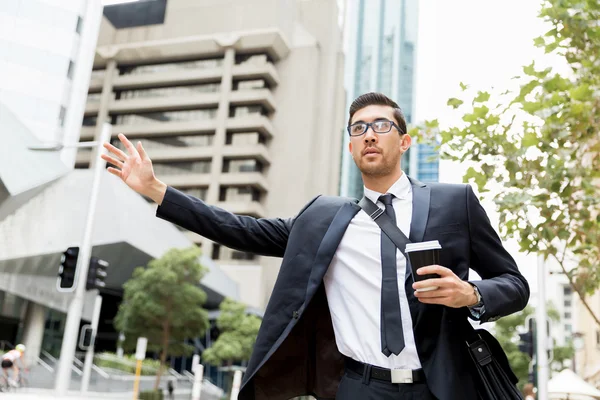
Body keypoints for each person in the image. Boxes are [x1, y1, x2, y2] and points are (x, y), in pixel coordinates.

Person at [102, 92, 529, 400]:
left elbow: (514, 283)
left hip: (443, 385)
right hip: (360, 387)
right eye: (359, 128)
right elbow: (240, 229)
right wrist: (158, 190)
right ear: (350, 146)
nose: (369, 134)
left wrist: (471, 293)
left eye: (382, 125)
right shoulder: (325, 218)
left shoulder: (456, 202)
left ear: (404, 141)